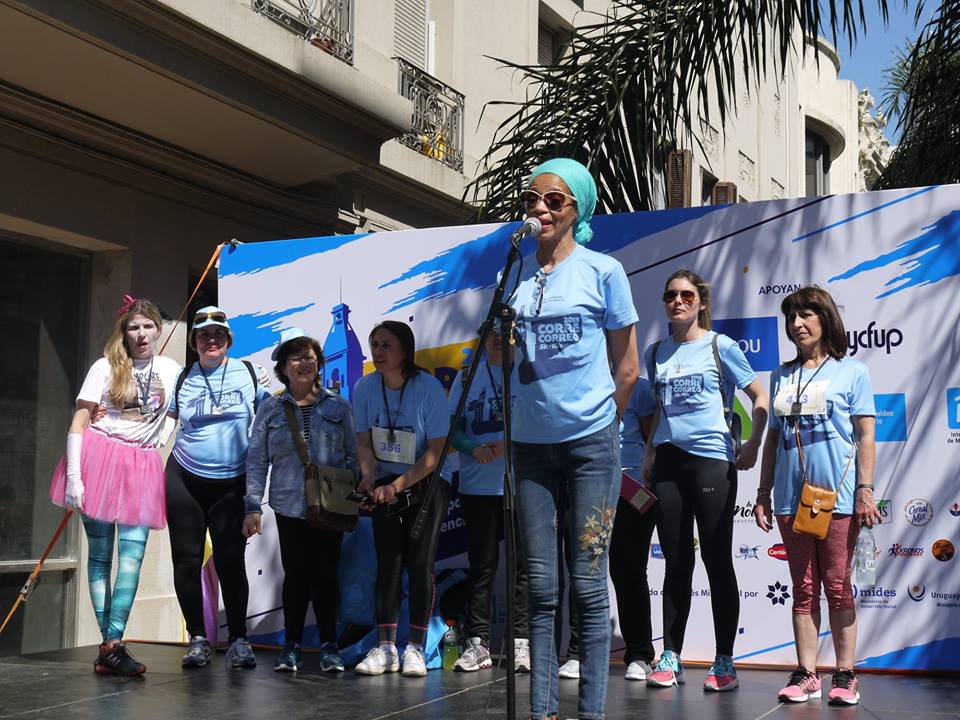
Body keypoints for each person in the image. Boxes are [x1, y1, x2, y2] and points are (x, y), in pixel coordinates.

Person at [510, 157, 640, 720]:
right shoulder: (513, 274)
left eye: (554, 200)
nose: (540, 208)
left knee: (587, 584)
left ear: (577, 208)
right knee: (540, 589)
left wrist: (601, 426)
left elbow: (628, 367)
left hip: (590, 446)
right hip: (530, 450)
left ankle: (590, 712)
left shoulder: (603, 271)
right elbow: (507, 360)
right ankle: (541, 711)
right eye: (533, 199)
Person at [642, 269, 768, 692]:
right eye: (670, 294)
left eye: (686, 295)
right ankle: (671, 656)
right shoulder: (655, 351)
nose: (677, 301)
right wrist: (648, 454)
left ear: (700, 302)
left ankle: (724, 662)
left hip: (712, 462)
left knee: (717, 561)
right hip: (668, 464)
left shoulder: (721, 346)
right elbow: (658, 409)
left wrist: (751, 444)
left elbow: (760, 397)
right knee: (676, 562)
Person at [754, 286, 879, 706]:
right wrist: (762, 491)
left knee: (839, 586)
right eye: (791, 317)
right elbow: (772, 439)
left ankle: (845, 674)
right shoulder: (781, 375)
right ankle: (807, 674)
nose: (797, 324)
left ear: (825, 319)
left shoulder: (852, 372)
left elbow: (865, 436)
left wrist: (865, 490)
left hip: (838, 499)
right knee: (803, 589)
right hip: (792, 500)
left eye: (806, 315)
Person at [49, 295, 181, 675]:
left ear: (158, 329)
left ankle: (112, 641)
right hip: (100, 458)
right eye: (133, 327)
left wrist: (160, 437)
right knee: (102, 556)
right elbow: (79, 421)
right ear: (124, 331)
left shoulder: (171, 369)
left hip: (140, 465)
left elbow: (174, 411)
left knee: (132, 558)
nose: (141, 334)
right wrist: (74, 475)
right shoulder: (104, 367)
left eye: (147, 326)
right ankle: (113, 646)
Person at [244, 328, 358, 673]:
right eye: (296, 357)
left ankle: (329, 646)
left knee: (326, 576)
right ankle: (290, 646)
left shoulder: (339, 405)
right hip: (289, 505)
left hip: (331, 505)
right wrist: (252, 505)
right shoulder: (270, 408)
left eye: (309, 356)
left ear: (319, 363)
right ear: (283, 368)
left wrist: (352, 496)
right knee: (295, 577)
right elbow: (256, 460)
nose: (304, 363)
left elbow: (353, 455)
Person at [166, 306, 271, 669]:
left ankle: (240, 639)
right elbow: (157, 426)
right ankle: (198, 638)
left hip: (231, 482)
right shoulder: (182, 379)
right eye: (203, 335)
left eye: (218, 335)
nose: (211, 340)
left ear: (228, 340)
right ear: (194, 342)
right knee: (186, 560)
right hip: (184, 478)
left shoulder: (249, 373)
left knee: (229, 561)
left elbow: (274, 417)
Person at [351, 320, 451, 678]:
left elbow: (435, 453)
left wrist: (399, 485)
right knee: (388, 564)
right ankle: (386, 647)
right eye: (374, 344)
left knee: (420, 564)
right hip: (385, 481)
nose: (378, 352)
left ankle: (417, 649)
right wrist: (368, 477)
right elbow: (363, 443)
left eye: (386, 345)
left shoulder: (427, 388)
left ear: (405, 350)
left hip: (426, 481)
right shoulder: (364, 387)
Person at [448, 329, 530, 672]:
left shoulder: (528, 372)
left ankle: (521, 644)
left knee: (523, 567)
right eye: (492, 334)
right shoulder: (467, 376)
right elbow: (451, 427)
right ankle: (477, 644)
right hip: (477, 486)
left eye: (506, 334)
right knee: (482, 566)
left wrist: (506, 445)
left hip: (523, 484)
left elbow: (545, 420)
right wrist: (474, 449)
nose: (498, 339)